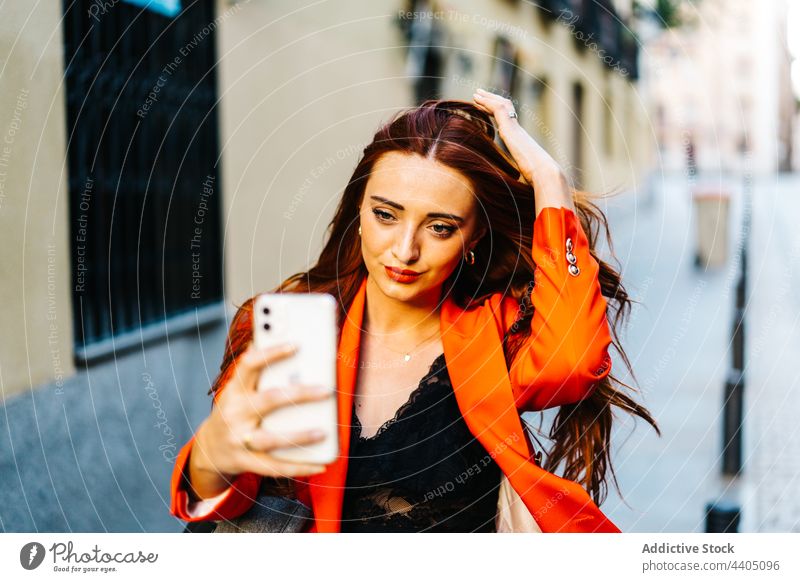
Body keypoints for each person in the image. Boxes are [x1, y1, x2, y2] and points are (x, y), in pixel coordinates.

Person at [169, 89, 659, 533]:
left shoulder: (494, 330)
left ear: (475, 236)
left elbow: (571, 361)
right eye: (385, 214)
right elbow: (227, 505)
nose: (404, 250)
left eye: (440, 227)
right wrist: (212, 453)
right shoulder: (291, 327)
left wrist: (550, 183)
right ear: (358, 210)